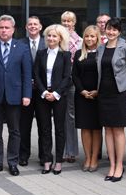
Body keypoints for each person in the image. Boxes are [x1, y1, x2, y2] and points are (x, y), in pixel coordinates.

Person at [0, 15, 32, 176]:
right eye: (1, 28)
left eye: (6, 28)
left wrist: (27, 95)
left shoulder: (22, 48)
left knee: (15, 131)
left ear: (13, 29)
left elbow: (26, 74)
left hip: (15, 96)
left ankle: (12, 162)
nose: (3, 30)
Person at [96, 18, 126, 182]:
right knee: (108, 130)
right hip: (103, 94)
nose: (111, 32)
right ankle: (111, 165)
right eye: (108, 29)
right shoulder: (100, 48)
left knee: (118, 130)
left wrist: (125, 85)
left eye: (114, 29)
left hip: (119, 94)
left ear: (119, 31)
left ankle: (119, 165)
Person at [34, 24, 72, 175]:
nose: (51, 38)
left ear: (60, 38)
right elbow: (35, 74)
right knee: (44, 129)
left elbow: (67, 77)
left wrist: (55, 93)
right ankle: (47, 160)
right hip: (42, 95)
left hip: (59, 96)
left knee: (59, 129)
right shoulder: (41, 53)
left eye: (54, 36)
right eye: (49, 35)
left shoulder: (66, 55)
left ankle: (59, 161)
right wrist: (44, 92)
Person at [73, 25, 102, 172]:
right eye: (87, 36)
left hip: (98, 96)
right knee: (85, 128)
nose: (89, 39)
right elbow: (75, 75)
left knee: (96, 129)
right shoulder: (79, 53)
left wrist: (97, 91)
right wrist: (82, 91)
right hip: (82, 96)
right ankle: (87, 158)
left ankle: (95, 158)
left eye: (92, 36)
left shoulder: (102, 54)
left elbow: (105, 75)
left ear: (97, 38)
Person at [19, 16, 45, 167]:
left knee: (43, 125)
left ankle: (44, 155)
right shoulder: (20, 43)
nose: (33, 26)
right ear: (26, 27)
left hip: (43, 91)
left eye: (35, 24)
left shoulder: (47, 42)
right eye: (30, 24)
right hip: (25, 91)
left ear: (40, 27)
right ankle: (23, 155)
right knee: (24, 125)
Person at [61, 11, 82, 163]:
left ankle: (72, 151)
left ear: (74, 22)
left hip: (72, 83)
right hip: (57, 83)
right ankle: (61, 149)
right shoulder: (57, 38)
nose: (67, 24)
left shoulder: (80, 41)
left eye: (69, 21)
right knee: (59, 117)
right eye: (64, 21)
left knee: (71, 117)